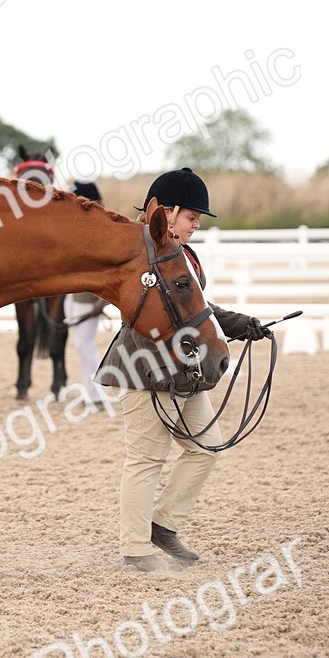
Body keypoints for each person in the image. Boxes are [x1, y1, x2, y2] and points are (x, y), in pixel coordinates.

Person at [96, 168, 266, 571]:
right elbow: (137, 314)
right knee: (145, 459)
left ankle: (163, 525)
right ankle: (135, 548)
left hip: (184, 373)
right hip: (144, 369)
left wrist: (241, 324)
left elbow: (195, 311)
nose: (196, 225)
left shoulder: (185, 256)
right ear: (167, 213)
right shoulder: (138, 250)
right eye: (191, 217)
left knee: (207, 446)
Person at [65, 179, 109, 404]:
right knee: (82, 347)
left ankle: (96, 395)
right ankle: (91, 392)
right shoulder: (79, 226)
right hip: (73, 295)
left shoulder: (99, 228)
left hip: (87, 297)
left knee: (85, 346)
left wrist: (101, 301)